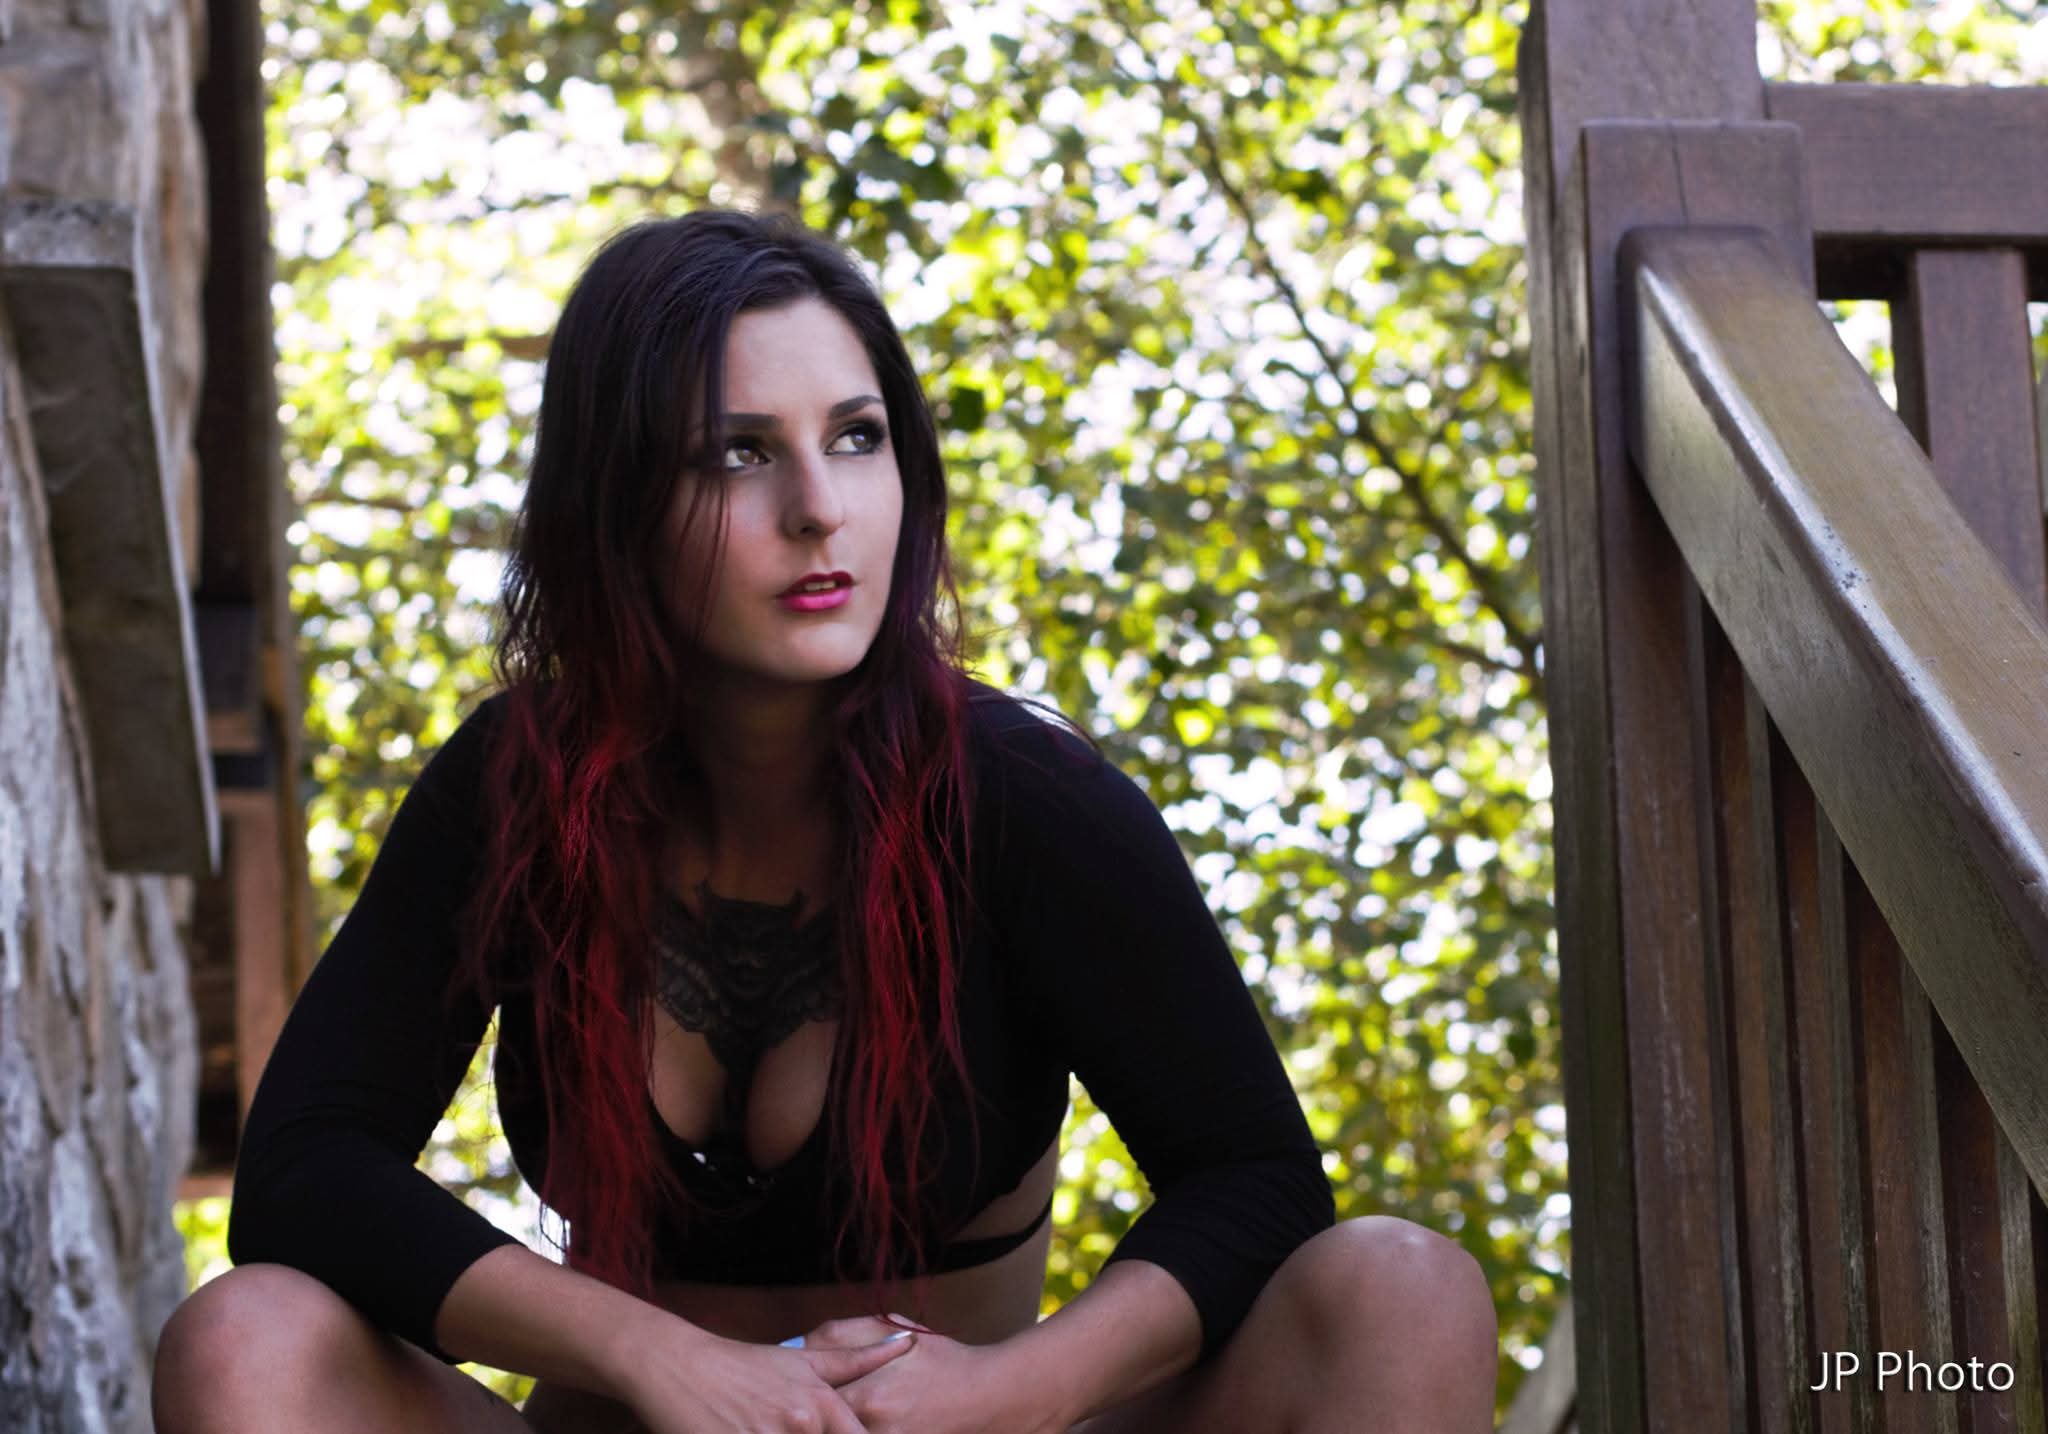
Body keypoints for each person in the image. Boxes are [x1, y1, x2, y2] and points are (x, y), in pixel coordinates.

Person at [151, 208, 1498, 1434]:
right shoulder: (518, 790)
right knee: (247, 1338)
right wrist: (657, 1354)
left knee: (1402, 1289)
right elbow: (301, 1172)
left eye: (857, 437)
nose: (819, 509)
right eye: (739, 453)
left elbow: (1258, 1180)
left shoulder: (1021, 800)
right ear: (618, 501)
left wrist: (1013, 1391)